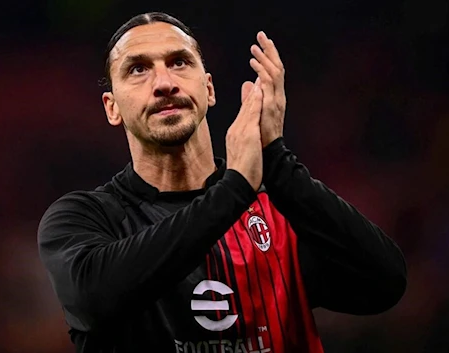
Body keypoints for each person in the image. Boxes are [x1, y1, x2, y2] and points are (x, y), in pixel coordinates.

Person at [37, 12, 407, 353]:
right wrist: (234, 189)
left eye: (179, 62)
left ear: (209, 89)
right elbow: (94, 298)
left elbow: (383, 284)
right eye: (137, 69)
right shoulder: (83, 218)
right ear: (111, 107)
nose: (164, 83)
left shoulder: (278, 210)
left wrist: (277, 162)